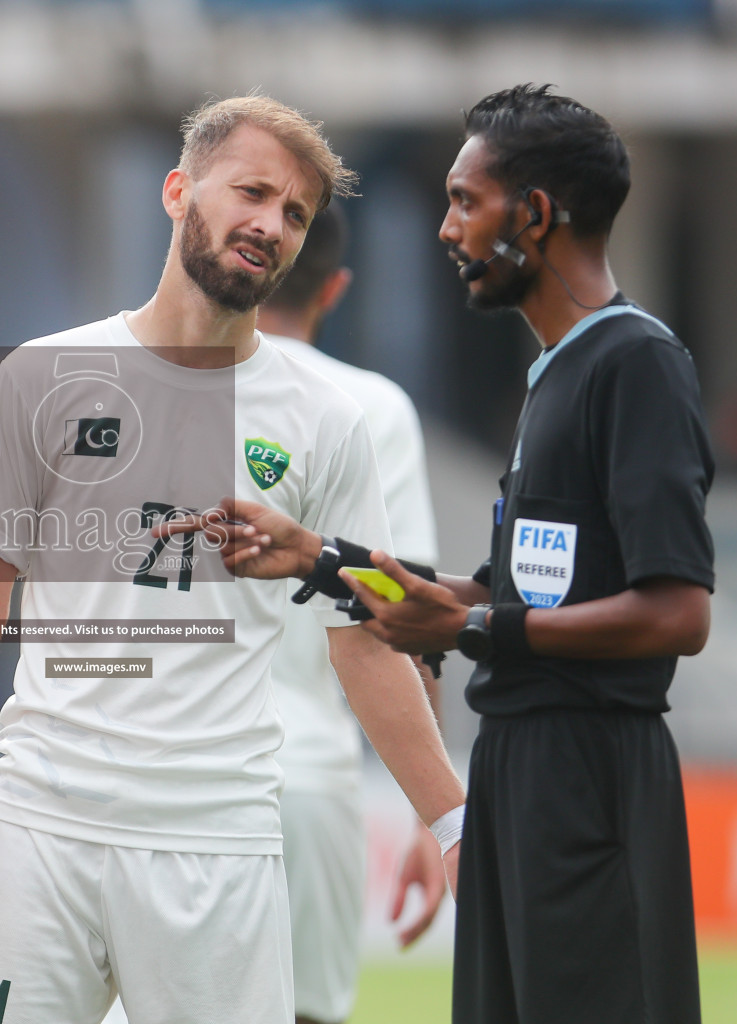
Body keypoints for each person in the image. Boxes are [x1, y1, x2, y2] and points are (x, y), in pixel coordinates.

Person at [0, 95, 466, 1024]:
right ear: (179, 191)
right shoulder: (41, 375)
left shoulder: (329, 420)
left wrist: (453, 822)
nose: (270, 223)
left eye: (294, 213)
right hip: (41, 825)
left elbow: (365, 641)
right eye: (252, 191)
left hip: (215, 840)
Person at [188, 84, 715, 1024]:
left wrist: (472, 627)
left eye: (466, 202)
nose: (444, 229)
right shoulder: (556, 375)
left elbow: (678, 611)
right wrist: (318, 558)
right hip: (519, 776)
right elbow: (506, 589)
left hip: (590, 784)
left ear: (538, 215)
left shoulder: (637, 363)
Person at [255, 204, 447, 1024]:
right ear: (333, 288)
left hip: (173, 771)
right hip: (310, 774)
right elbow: (405, 612)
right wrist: (427, 814)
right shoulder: (373, 407)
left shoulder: (169, 389)